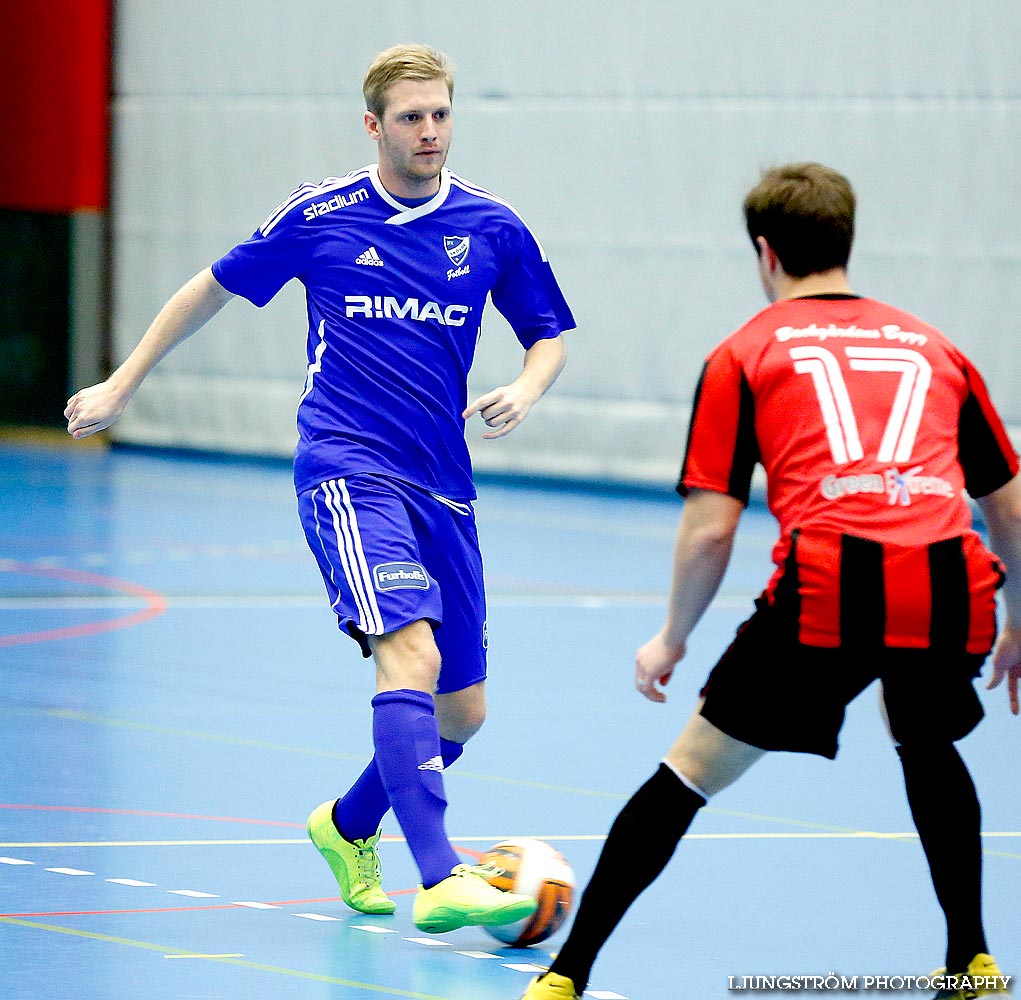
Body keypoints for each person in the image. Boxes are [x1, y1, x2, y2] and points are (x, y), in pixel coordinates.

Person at [65, 43, 575, 935]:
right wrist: (121, 383)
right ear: (374, 125)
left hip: (442, 485)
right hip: (346, 465)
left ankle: (344, 828)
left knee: (462, 711)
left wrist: (527, 388)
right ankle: (441, 875)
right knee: (407, 654)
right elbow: (209, 290)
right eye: (411, 118)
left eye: (441, 114)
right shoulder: (322, 216)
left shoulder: (492, 226)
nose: (429, 132)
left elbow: (547, 333)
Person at [520, 163, 1019, 1000]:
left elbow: (712, 526)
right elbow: (1004, 511)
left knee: (687, 771)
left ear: (764, 253)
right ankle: (970, 959)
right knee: (923, 737)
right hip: (949, 580)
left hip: (829, 586)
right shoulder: (937, 347)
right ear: (845, 242)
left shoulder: (744, 353)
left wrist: (671, 636)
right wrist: (1017, 622)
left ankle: (566, 977)